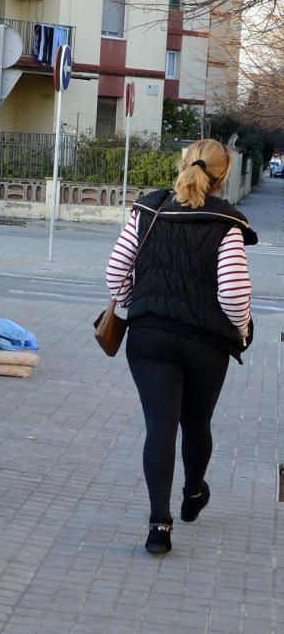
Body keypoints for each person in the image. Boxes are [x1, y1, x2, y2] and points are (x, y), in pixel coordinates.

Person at [105, 139, 256, 555]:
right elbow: (233, 295)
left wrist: (137, 307)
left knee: (160, 426)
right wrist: (242, 329)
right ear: (223, 176)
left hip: (149, 338)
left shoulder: (148, 211)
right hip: (205, 344)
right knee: (196, 423)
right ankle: (192, 496)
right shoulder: (226, 223)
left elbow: (115, 273)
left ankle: (159, 526)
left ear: (183, 164)